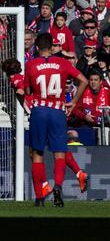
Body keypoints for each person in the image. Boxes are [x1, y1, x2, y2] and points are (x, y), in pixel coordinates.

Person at [24, 33, 88, 207]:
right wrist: (73, 102)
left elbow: (28, 91)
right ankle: (58, 186)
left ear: (36, 48)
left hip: (38, 111)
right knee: (59, 152)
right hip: (58, 111)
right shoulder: (63, 63)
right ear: (52, 47)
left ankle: (39, 197)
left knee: (37, 153)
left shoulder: (30, 64)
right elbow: (84, 80)